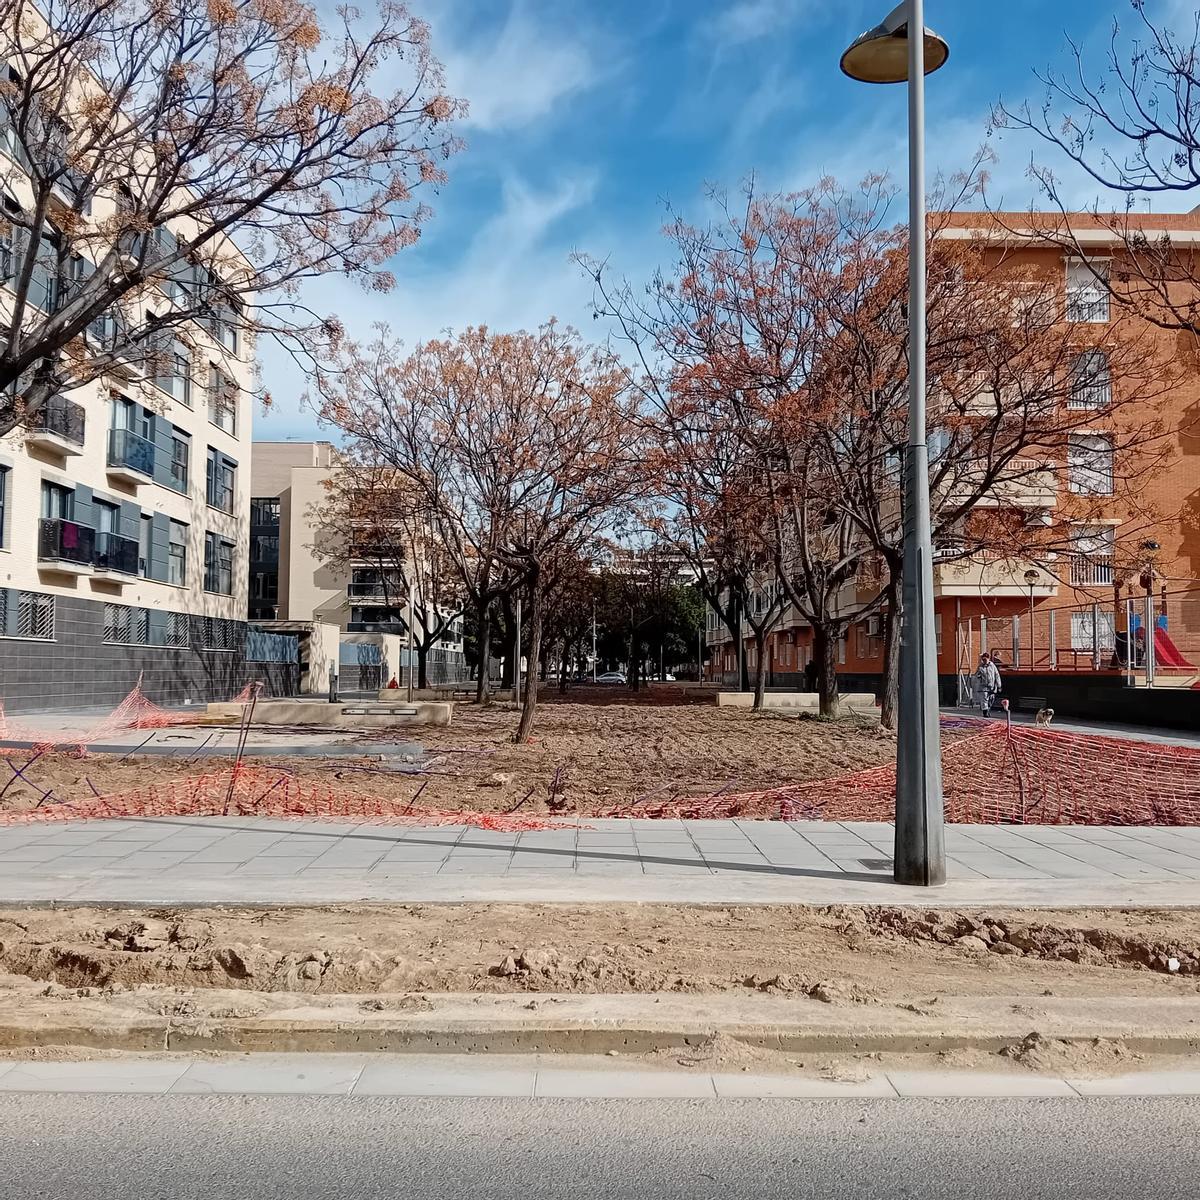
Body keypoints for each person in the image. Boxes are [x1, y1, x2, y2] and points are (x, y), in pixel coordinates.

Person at [973, 652, 1001, 718]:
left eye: (985, 660)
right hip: (983, 686)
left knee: (991, 699)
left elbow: (997, 675)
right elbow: (976, 675)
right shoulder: (980, 666)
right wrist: (978, 676)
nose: (984, 661)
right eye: (983, 660)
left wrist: (999, 685)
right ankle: (985, 712)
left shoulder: (992, 666)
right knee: (984, 699)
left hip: (991, 686)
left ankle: (988, 709)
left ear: (988, 659)